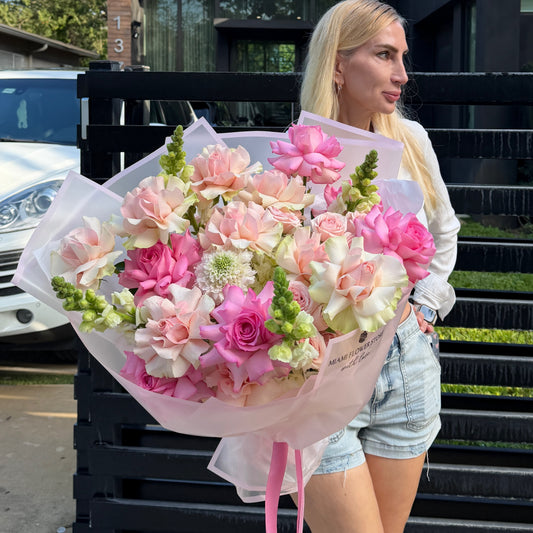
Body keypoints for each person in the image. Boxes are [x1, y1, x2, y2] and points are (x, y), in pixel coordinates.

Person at [296, 1, 461, 532]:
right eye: (385, 55)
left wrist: (426, 306)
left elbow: (444, 232)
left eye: (402, 58)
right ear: (338, 65)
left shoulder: (411, 141)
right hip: (325, 375)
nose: (402, 75)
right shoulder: (296, 156)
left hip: (406, 364)